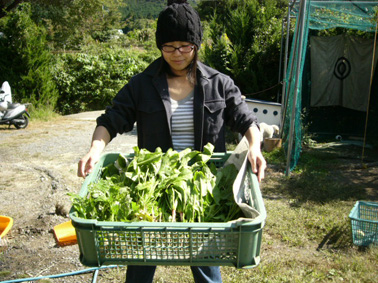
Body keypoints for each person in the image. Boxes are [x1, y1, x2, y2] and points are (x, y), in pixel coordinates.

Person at [77, 1, 266, 282]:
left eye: (185, 46)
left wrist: (254, 145)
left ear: (197, 44)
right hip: (154, 186)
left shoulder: (218, 83)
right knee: (141, 258)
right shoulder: (142, 85)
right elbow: (111, 120)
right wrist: (95, 148)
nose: (177, 54)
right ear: (159, 46)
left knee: (205, 259)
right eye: (169, 47)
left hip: (203, 188)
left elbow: (246, 119)